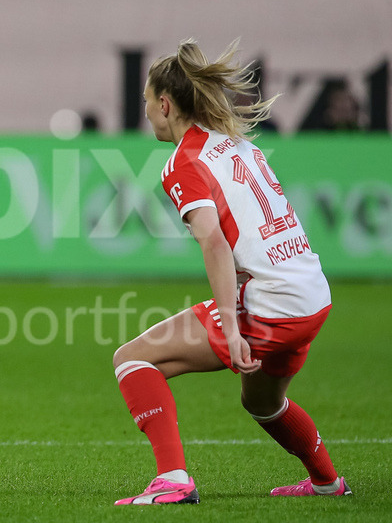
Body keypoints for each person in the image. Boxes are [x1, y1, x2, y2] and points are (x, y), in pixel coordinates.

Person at [111, 39, 351, 505]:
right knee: (262, 402)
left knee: (133, 359)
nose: (146, 113)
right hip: (311, 295)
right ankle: (327, 482)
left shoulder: (183, 162)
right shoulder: (236, 144)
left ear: (165, 104)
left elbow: (214, 241)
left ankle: (173, 481)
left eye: (146, 103)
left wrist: (232, 323)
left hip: (273, 303)